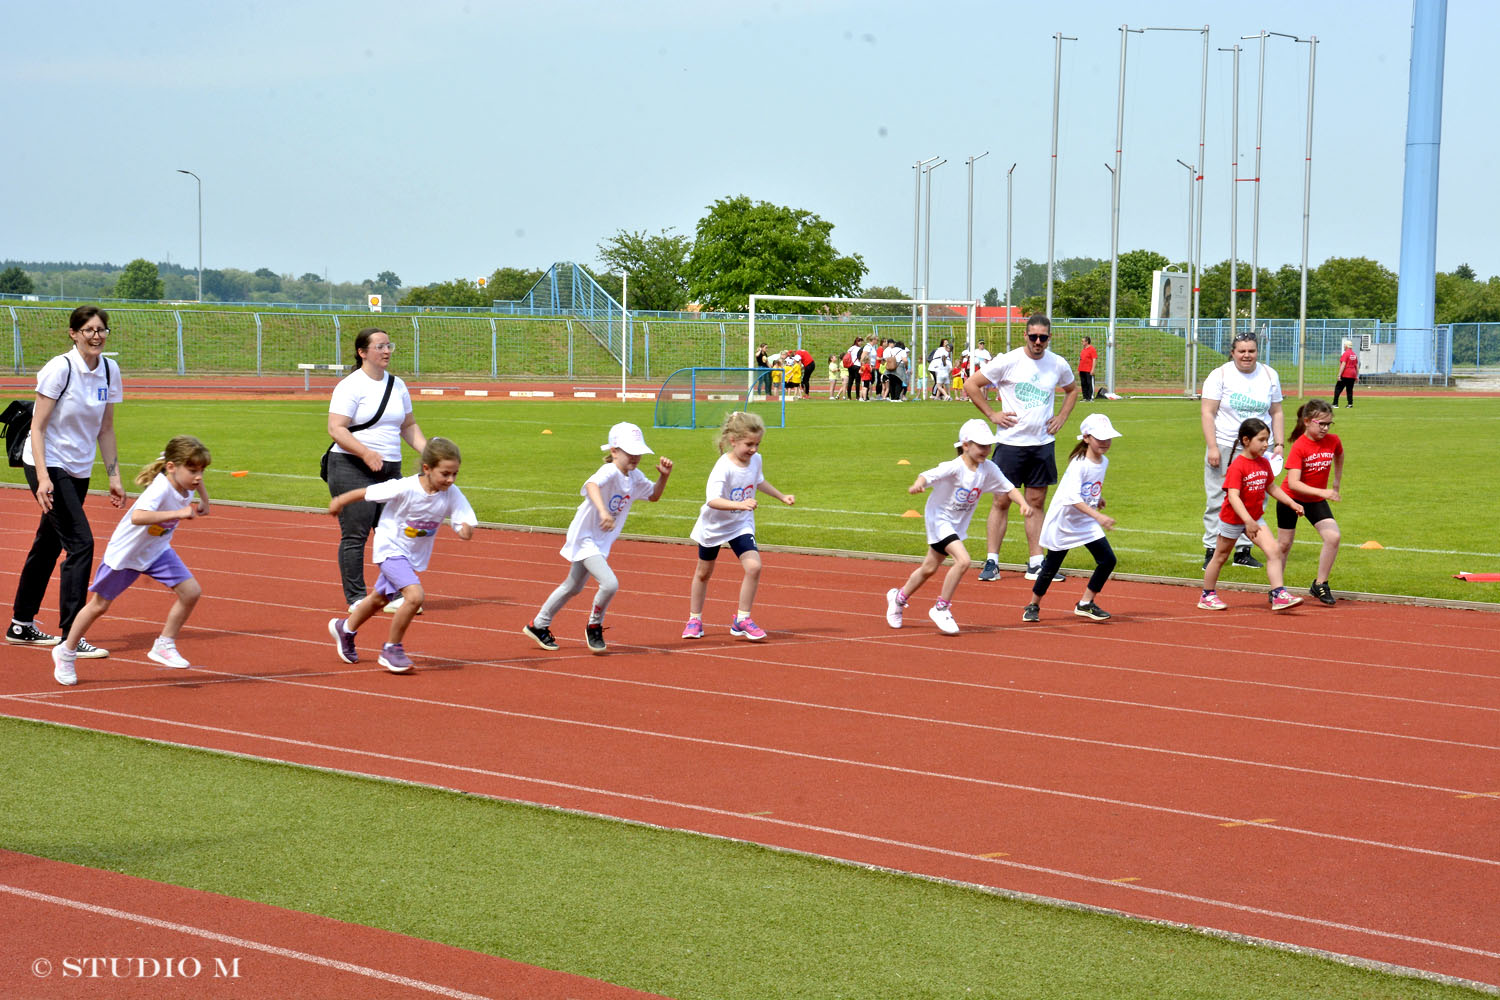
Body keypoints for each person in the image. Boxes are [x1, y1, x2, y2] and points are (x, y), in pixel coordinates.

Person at [8, 306, 124, 659]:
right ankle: (71, 637)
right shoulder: (60, 368)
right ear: (73, 333)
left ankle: (21, 625)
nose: (96, 336)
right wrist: (43, 478)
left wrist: (114, 477)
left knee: (48, 544)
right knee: (81, 544)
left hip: (78, 468)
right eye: (88, 330)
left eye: (101, 330)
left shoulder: (109, 369)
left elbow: (105, 429)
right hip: (48, 464)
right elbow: (37, 428)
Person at [50, 436, 212, 686]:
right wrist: (178, 513)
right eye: (193, 470)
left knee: (191, 592)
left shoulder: (186, 480)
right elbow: (138, 516)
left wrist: (204, 499)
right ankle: (66, 651)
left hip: (156, 551)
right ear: (171, 467)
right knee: (99, 606)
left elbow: (195, 484)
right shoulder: (160, 488)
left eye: (202, 470)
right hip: (126, 554)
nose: (198, 476)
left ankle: (164, 644)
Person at [328, 437, 477, 673]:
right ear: (427, 468)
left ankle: (345, 628)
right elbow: (368, 492)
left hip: (411, 555)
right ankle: (391, 649)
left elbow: (464, 518)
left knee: (379, 598)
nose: (450, 480)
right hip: (390, 548)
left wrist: (465, 529)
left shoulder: (451, 493)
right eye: (445, 474)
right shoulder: (406, 486)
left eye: (455, 474)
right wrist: (340, 500)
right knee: (415, 596)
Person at [523, 423, 671, 655]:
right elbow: (591, 485)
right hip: (585, 537)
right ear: (614, 451)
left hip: (600, 540)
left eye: (638, 452)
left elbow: (653, 496)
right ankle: (594, 625)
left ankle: (538, 625)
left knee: (572, 586)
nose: (635, 456)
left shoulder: (635, 476)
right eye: (629, 451)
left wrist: (664, 477)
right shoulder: (610, 471)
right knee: (610, 583)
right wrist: (603, 511)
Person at [963, 315, 1080, 584]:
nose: (1038, 342)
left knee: (1037, 502)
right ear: (1025, 336)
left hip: (1042, 444)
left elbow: (1072, 390)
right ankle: (992, 560)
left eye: (1043, 337)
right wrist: (992, 414)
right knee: (1001, 501)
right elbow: (972, 384)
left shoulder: (1057, 363)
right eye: (1033, 337)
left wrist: (1061, 417)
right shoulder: (1009, 360)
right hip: (1010, 443)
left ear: (1050, 338)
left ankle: (1036, 563)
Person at [885, 419, 1031, 635]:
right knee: (963, 561)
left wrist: (1024, 504)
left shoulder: (988, 468)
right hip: (939, 519)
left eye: (988, 446)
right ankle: (941, 608)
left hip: (956, 524)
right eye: (980, 445)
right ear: (965, 445)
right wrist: (919, 484)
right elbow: (928, 475)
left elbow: (1008, 487)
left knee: (929, 568)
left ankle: (898, 598)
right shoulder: (954, 467)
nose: (985, 450)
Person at [327, 327, 427, 614]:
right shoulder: (350, 386)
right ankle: (356, 598)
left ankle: (393, 593)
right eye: (380, 346)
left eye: (389, 346)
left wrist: (428, 451)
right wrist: (366, 452)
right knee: (356, 533)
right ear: (362, 353)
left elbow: (408, 425)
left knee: (394, 532)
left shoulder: (397, 385)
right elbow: (336, 428)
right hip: (351, 466)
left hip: (389, 469)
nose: (386, 351)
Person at [683, 411, 795, 641]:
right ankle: (695, 619)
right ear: (733, 441)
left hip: (739, 524)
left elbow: (758, 480)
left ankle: (742, 619)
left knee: (754, 567)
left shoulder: (756, 460)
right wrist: (740, 504)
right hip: (714, 525)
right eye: (749, 444)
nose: (754, 449)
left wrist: (781, 496)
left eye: (757, 444)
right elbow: (712, 500)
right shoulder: (723, 467)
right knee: (703, 573)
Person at [1022, 413, 1120, 624]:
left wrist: (1097, 498)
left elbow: (1087, 488)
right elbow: (1071, 497)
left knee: (1108, 560)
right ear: (1086, 438)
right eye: (1099, 438)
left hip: (1085, 521)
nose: (1104, 442)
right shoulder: (1079, 464)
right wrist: (1099, 516)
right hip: (1064, 522)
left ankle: (1085, 603)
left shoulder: (1103, 461)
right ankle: (1033, 604)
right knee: (1051, 566)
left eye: (1108, 438)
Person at [1199, 418, 1305, 612]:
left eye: (1267, 440)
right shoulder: (1238, 466)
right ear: (1246, 440)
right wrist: (1247, 521)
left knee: (1273, 551)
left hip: (1255, 518)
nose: (1266, 444)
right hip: (1234, 519)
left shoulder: (1263, 463)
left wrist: (1291, 503)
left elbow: (1271, 487)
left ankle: (1278, 594)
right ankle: (1207, 595)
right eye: (1262, 440)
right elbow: (1233, 496)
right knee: (1220, 556)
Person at [1199, 330, 1284, 571]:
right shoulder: (1220, 375)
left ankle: (1243, 551)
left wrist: (1278, 443)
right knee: (1218, 497)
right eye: (1242, 351)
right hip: (1226, 444)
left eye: (1251, 351)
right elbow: (1208, 412)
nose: (1247, 356)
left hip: (1259, 448)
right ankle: (1212, 549)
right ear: (1233, 353)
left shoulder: (1269, 374)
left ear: (1257, 352)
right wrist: (1213, 446)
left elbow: (1276, 411)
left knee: (1256, 498)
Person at [1272, 400, 1344, 606]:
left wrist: (1336, 481)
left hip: (1315, 499)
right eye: (1320, 423)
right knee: (1284, 545)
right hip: (1290, 499)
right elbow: (1293, 484)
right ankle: (1277, 590)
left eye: (1329, 424)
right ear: (1306, 422)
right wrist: (1325, 491)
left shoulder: (1333, 440)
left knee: (1333, 537)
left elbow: (1339, 454)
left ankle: (1320, 584)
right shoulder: (1299, 447)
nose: (1325, 428)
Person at [1334, 339, 1358, 408]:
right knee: (1349, 390)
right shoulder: (1354, 354)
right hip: (1352, 374)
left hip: (1346, 374)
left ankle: (1335, 404)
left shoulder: (1345, 354)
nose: (1344, 346)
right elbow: (1356, 366)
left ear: (1347, 346)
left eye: (1344, 345)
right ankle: (1350, 404)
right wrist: (1356, 376)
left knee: (1338, 388)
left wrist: (1339, 375)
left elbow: (1343, 365)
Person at [1078, 336, 1098, 402]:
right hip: (1082, 369)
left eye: (1083, 341)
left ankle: (1091, 397)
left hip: (1088, 369)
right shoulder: (1083, 350)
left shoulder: (1092, 349)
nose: (1082, 342)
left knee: (1090, 383)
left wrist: (1093, 369)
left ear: (1087, 342)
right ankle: (1085, 397)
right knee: (1083, 384)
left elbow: (1094, 359)